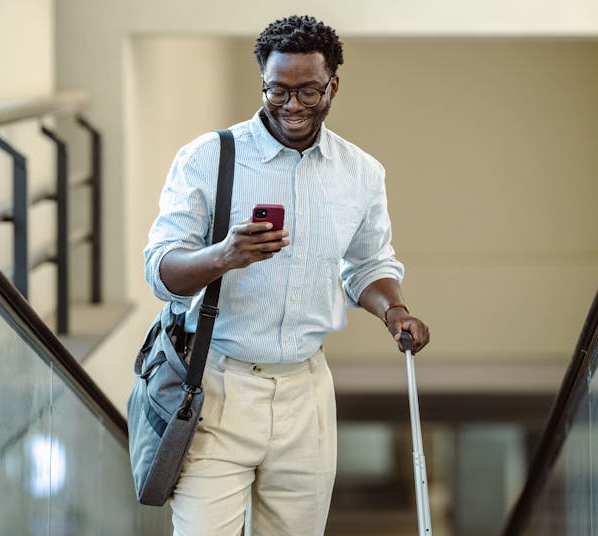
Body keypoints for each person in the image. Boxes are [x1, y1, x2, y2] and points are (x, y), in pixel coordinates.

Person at [144, 14, 430, 536]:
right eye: (278, 90)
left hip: (306, 393)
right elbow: (160, 270)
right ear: (263, 83)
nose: (292, 105)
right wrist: (224, 255)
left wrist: (395, 311)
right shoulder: (209, 158)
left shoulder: (360, 173)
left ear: (333, 86)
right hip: (216, 388)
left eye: (308, 91)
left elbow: (368, 263)